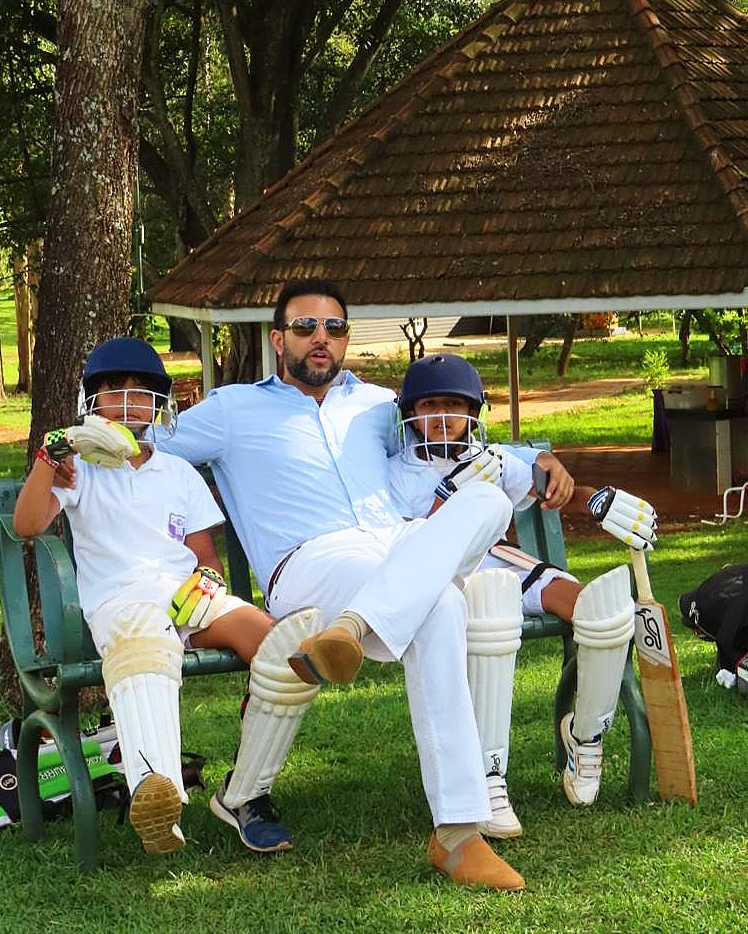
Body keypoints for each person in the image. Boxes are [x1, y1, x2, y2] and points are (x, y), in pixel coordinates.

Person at [145, 279, 587, 891]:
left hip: (398, 548)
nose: (321, 339)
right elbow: (147, 444)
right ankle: (459, 833)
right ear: (278, 340)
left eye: (334, 328)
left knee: (482, 499)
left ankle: (355, 630)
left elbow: (448, 435)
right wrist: (67, 454)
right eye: (305, 328)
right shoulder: (232, 410)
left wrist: (535, 460)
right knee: (441, 605)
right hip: (310, 562)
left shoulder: (380, 406)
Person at [13, 337, 318, 857]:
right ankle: (159, 798)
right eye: (115, 390)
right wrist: (51, 456)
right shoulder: (77, 468)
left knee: (288, 653)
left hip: (184, 596)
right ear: (92, 400)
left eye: (142, 390)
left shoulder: (176, 470)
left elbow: (205, 556)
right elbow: (26, 524)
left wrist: (210, 582)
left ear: (161, 402)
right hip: (121, 600)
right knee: (145, 651)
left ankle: (243, 792)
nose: (129, 401)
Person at [388, 353, 658, 837]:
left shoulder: (487, 458)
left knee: (606, 609)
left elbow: (553, 487)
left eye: (456, 405)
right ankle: (488, 777)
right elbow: (405, 547)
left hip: (504, 563)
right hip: (444, 581)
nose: (444, 416)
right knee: (492, 612)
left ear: (474, 412)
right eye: (431, 404)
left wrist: (600, 499)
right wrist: (447, 496)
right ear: (410, 413)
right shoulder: (394, 472)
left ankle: (585, 737)